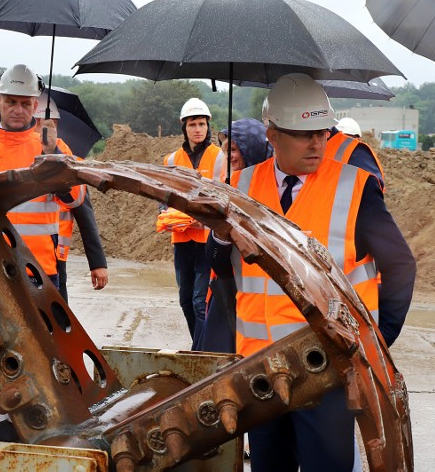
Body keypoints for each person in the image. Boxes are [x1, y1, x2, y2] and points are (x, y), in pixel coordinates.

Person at [214, 73, 415, 472]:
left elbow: (400, 266)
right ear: (271, 134)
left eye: (322, 132)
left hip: (326, 372)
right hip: (262, 370)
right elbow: (222, 268)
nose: (317, 142)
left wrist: (377, 339)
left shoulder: (356, 188)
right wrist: (220, 236)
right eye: (303, 134)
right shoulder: (240, 187)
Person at [0, 64, 94, 441]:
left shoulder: (54, 150)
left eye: (25, 102)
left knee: (48, 358)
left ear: (36, 105)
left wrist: (54, 164)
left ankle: (49, 433)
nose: (17, 108)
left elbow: (77, 197)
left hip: (40, 277)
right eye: (11, 101)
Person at [196, 117, 272, 353]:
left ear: (254, 147)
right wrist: (220, 233)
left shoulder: (274, 193)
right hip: (226, 297)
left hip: (266, 306)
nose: (229, 156)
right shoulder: (227, 189)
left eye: (234, 149)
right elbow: (216, 261)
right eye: (225, 150)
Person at [161, 97, 225, 344]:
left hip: (205, 240)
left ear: (208, 126)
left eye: (201, 124)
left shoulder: (218, 157)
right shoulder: (171, 160)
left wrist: (206, 220)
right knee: (185, 299)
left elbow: (222, 198)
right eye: (192, 125)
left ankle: (199, 350)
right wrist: (165, 214)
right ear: (184, 127)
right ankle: (197, 343)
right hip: (181, 239)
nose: (198, 129)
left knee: (200, 300)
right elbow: (163, 197)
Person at [32, 93, 108, 301]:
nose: (47, 128)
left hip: (55, 254)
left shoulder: (63, 153)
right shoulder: (15, 151)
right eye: (40, 122)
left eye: (52, 123)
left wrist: (97, 262)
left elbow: (83, 208)